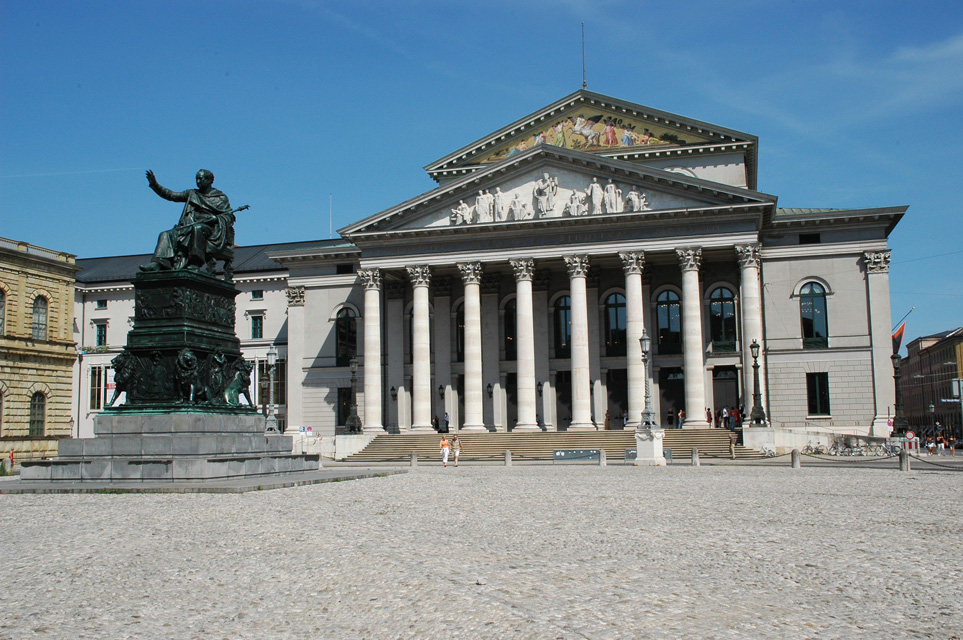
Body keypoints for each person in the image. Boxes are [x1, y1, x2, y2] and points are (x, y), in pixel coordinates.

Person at [141, 169, 237, 276]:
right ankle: (158, 263)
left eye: (200, 178)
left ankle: (195, 263)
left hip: (210, 231)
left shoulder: (220, 198)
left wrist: (215, 219)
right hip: (188, 227)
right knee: (166, 234)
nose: (198, 181)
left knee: (198, 228)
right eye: (196, 179)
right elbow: (171, 195)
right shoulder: (192, 193)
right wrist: (155, 184)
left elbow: (229, 217)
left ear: (209, 180)